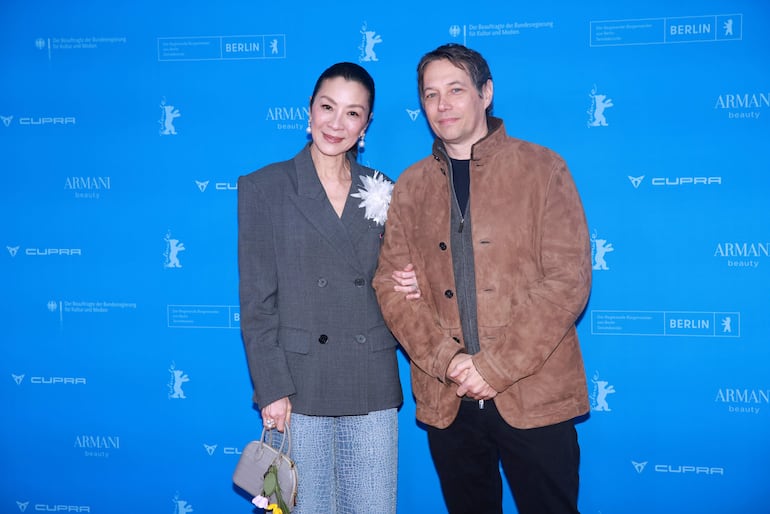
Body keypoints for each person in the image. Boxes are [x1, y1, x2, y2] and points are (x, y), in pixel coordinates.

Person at [373, 44, 592, 514]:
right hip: (448, 398)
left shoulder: (542, 169)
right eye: (431, 94)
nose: (442, 104)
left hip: (533, 393)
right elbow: (391, 286)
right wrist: (449, 362)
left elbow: (567, 281)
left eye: (455, 89)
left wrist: (493, 369)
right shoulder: (410, 186)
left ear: (485, 93)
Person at [238, 62, 418, 514]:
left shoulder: (384, 188)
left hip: (370, 378)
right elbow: (257, 303)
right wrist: (271, 387)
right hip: (298, 386)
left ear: (366, 124)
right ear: (310, 110)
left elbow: (395, 279)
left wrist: (414, 282)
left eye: (352, 113)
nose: (337, 124)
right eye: (328, 107)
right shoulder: (264, 188)